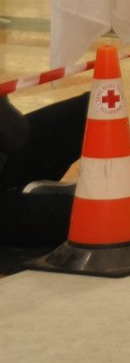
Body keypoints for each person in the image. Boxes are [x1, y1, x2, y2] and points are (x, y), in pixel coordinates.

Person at [0, 92, 88, 250]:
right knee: (82, 215)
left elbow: (17, 134)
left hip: (7, 162)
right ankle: (25, 199)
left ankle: (25, 196)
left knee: (95, 108)